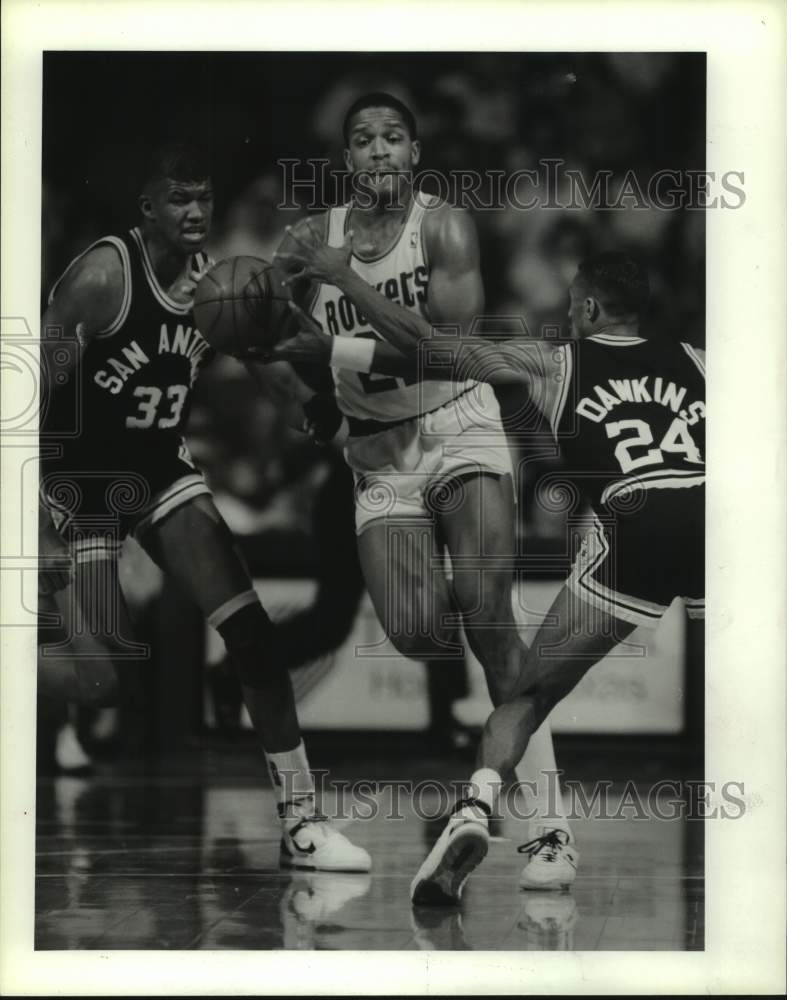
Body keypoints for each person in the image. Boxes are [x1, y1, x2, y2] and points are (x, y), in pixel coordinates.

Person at [273, 250, 705, 903]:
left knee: (526, 696)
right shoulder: (703, 360)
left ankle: (476, 804)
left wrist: (332, 344)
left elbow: (434, 358)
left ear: (585, 309)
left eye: (569, 304)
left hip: (637, 523)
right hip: (717, 517)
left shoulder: (558, 360)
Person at [270, 92, 576, 888]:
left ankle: (547, 830)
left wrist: (340, 306)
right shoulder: (306, 240)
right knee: (412, 631)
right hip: (378, 454)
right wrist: (306, 405)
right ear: (345, 160)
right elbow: (253, 332)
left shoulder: (442, 226)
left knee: (488, 613)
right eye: (363, 139)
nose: (378, 150)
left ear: (414, 153)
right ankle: (480, 765)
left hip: (458, 423)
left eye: (393, 137)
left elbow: (448, 349)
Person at [38, 141, 370, 873]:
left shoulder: (216, 285)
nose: (194, 213)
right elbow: (30, 402)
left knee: (251, 635)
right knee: (101, 682)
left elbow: (269, 368)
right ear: (147, 208)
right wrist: (37, 525)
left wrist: (323, 420)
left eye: (203, 199)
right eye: (178, 200)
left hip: (160, 473)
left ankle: (302, 820)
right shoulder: (100, 277)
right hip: (82, 484)